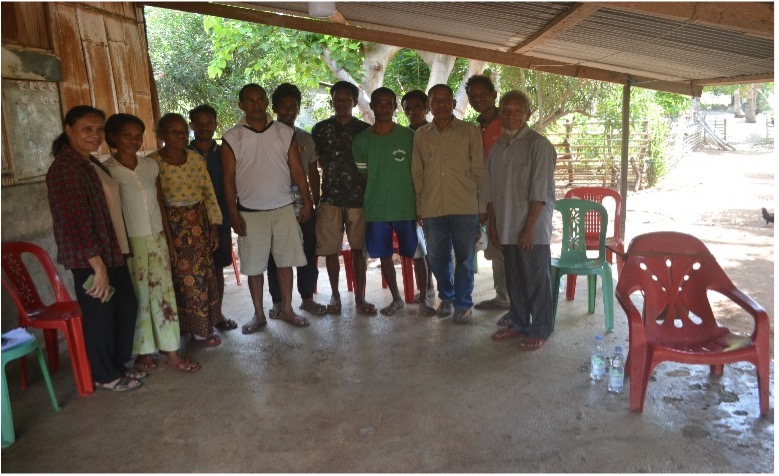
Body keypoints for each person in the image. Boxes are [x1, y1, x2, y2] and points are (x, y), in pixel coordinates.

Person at [46, 105, 142, 391]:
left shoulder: (89, 163)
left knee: (124, 308)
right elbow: (76, 222)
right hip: (91, 259)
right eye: (86, 129)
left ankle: (119, 365)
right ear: (69, 130)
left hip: (111, 252)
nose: (94, 135)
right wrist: (97, 267)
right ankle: (105, 375)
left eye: (99, 129)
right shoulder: (66, 168)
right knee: (100, 317)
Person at [104, 113, 200, 372]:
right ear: (112, 137)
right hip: (130, 242)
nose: (133, 141)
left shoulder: (150, 166)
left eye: (137, 136)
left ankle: (172, 352)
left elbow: (159, 203)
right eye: (126, 135)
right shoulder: (107, 171)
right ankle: (143, 351)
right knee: (139, 296)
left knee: (164, 293)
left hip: (157, 238)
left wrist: (169, 240)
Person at [221, 83, 314, 333]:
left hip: (284, 208)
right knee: (253, 267)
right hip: (250, 212)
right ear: (241, 105)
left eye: (260, 99)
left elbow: (297, 170)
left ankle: (287, 309)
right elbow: (228, 179)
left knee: (286, 263)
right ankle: (258, 314)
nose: (256, 104)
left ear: (265, 102)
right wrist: (232, 212)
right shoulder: (232, 137)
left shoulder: (283, 132)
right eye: (250, 101)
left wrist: (306, 200)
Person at [354, 87, 435, 317]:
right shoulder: (361, 141)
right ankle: (396, 299)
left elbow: (418, 173)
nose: (383, 108)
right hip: (377, 209)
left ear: (394, 107)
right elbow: (366, 175)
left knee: (418, 254)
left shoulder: (409, 137)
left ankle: (424, 300)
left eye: (388, 104)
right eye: (378, 104)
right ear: (371, 106)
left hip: (407, 208)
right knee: (384, 255)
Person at [485, 91, 557, 350]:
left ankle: (540, 328)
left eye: (517, 111)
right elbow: (491, 191)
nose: (511, 115)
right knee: (514, 279)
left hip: (532, 229)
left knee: (537, 281)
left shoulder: (539, 145)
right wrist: (492, 225)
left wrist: (528, 229)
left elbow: (541, 192)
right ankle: (517, 323)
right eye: (506, 110)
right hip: (505, 227)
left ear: (528, 114)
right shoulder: (497, 146)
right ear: (500, 113)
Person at [411, 84, 484, 324]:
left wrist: (481, 206)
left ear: (453, 104)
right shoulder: (421, 135)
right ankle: (447, 296)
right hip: (433, 207)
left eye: (446, 100)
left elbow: (479, 171)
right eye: (436, 101)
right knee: (436, 257)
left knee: (464, 257)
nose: (441, 105)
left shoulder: (470, 131)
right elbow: (417, 173)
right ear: (429, 106)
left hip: (465, 206)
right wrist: (419, 207)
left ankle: (463, 303)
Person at [151, 113, 224, 347]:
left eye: (184, 131)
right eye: (174, 132)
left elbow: (208, 194)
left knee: (199, 278)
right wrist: (168, 237)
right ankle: (180, 328)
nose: (182, 136)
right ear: (161, 135)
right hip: (169, 226)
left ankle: (202, 329)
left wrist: (213, 227)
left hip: (197, 226)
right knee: (174, 280)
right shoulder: (152, 163)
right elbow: (157, 202)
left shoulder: (195, 159)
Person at [311, 81, 376, 316]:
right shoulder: (320, 129)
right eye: (337, 99)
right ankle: (335, 297)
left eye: (346, 99)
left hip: (359, 199)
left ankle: (360, 297)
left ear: (354, 103)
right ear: (332, 101)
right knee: (330, 251)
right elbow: (316, 162)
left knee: (359, 250)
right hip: (330, 198)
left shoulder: (364, 130)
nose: (341, 103)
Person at [266, 83, 329, 318]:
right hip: (275, 205)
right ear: (274, 108)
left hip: (303, 204)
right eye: (283, 106)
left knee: (307, 252)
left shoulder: (306, 138)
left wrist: (314, 201)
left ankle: (306, 298)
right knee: (275, 254)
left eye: (293, 106)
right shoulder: (266, 136)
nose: (289, 111)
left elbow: (313, 172)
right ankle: (278, 301)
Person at [187, 104, 239, 332]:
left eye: (209, 123)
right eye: (199, 123)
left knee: (218, 269)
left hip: (222, 220)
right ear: (192, 126)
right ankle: (194, 321)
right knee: (192, 273)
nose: (204, 127)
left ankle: (216, 316)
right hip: (190, 225)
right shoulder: (184, 154)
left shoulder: (224, 153)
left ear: (216, 125)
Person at [466, 75, 511, 316]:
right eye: (472, 95)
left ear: (494, 95)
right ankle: (503, 298)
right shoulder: (477, 126)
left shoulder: (506, 123)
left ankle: (517, 305)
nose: (477, 99)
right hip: (489, 197)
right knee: (495, 250)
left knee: (510, 251)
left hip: (509, 199)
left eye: (483, 94)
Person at [400, 89, 436, 305]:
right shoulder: (402, 136)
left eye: (417, 107)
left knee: (436, 247)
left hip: (434, 198)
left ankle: (442, 288)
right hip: (410, 199)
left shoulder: (434, 132)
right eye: (408, 108)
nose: (412, 111)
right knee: (417, 248)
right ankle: (426, 287)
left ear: (426, 108)